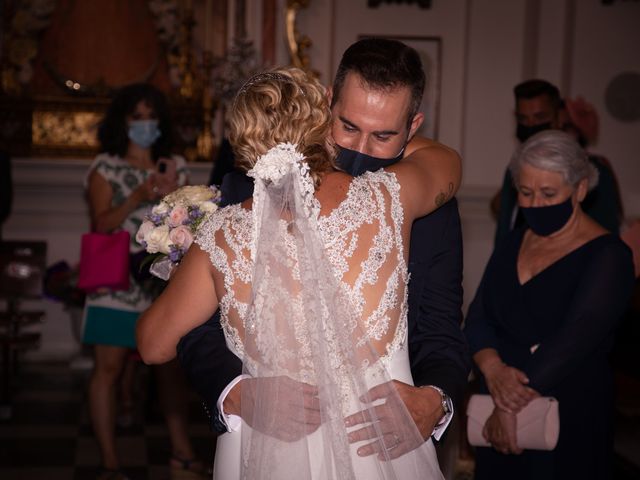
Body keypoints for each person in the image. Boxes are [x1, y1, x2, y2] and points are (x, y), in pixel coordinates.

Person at [136, 66, 461, 478]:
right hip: (376, 443)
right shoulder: (388, 198)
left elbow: (152, 345)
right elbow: (447, 162)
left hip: (262, 446)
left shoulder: (221, 233)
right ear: (325, 124)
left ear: (242, 148)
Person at [464, 130, 635, 479]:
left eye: (548, 194)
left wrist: (510, 406)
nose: (536, 205)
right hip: (495, 394)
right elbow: (479, 316)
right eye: (526, 193)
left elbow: (575, 340)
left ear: (581, 189)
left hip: (567, 407)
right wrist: (494, 372)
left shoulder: (609, 256)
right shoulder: (514, 240)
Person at [82, 83, 204, 480]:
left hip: (162, 282)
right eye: (136, 117)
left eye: (150, 116)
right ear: (122, 122)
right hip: (116, 283)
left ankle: (182, 453)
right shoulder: (105, 167)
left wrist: (172, 199)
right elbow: (101, 223)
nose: (145, 124)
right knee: (109, 369)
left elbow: (195, 228)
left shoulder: (177, 167)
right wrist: (138, 195)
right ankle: (110, 463)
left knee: (170, 369)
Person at [492, 79, 623, 247]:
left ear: (559, 118)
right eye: (523, 119)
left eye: (540, 117)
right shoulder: (513, 169)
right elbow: (505, 220)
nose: (531, 125)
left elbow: (606, 236)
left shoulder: (586, 169)